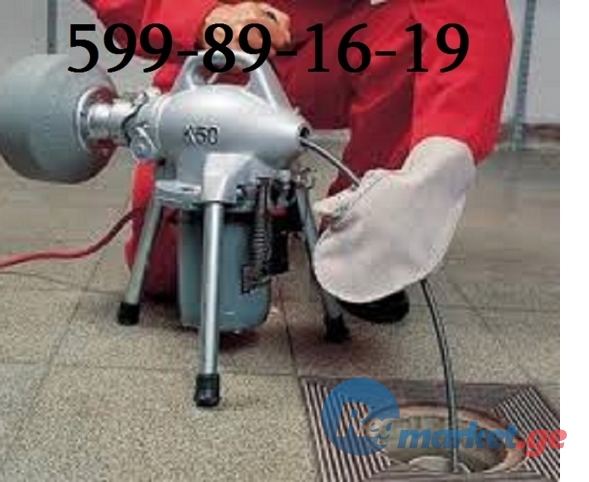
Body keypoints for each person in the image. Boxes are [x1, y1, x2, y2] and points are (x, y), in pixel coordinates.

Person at [86, 0, 513, 323]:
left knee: (419, 32)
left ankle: (365, 218)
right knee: (169, 277)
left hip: (327, 51)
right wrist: (204, 17)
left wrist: (443, 150)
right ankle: (270, 213)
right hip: (219, 61)